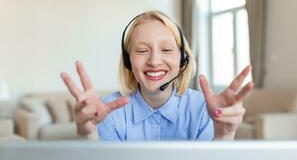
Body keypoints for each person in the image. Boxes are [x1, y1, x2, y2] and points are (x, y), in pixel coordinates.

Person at [60, 11, 254, 141]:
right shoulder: (108, 114)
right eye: (142, 50)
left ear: (182, 60)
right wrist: (87, 134)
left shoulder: (203, 110)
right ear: (128, 62)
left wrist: (224, 134)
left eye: (167, 49)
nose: (154, 60)